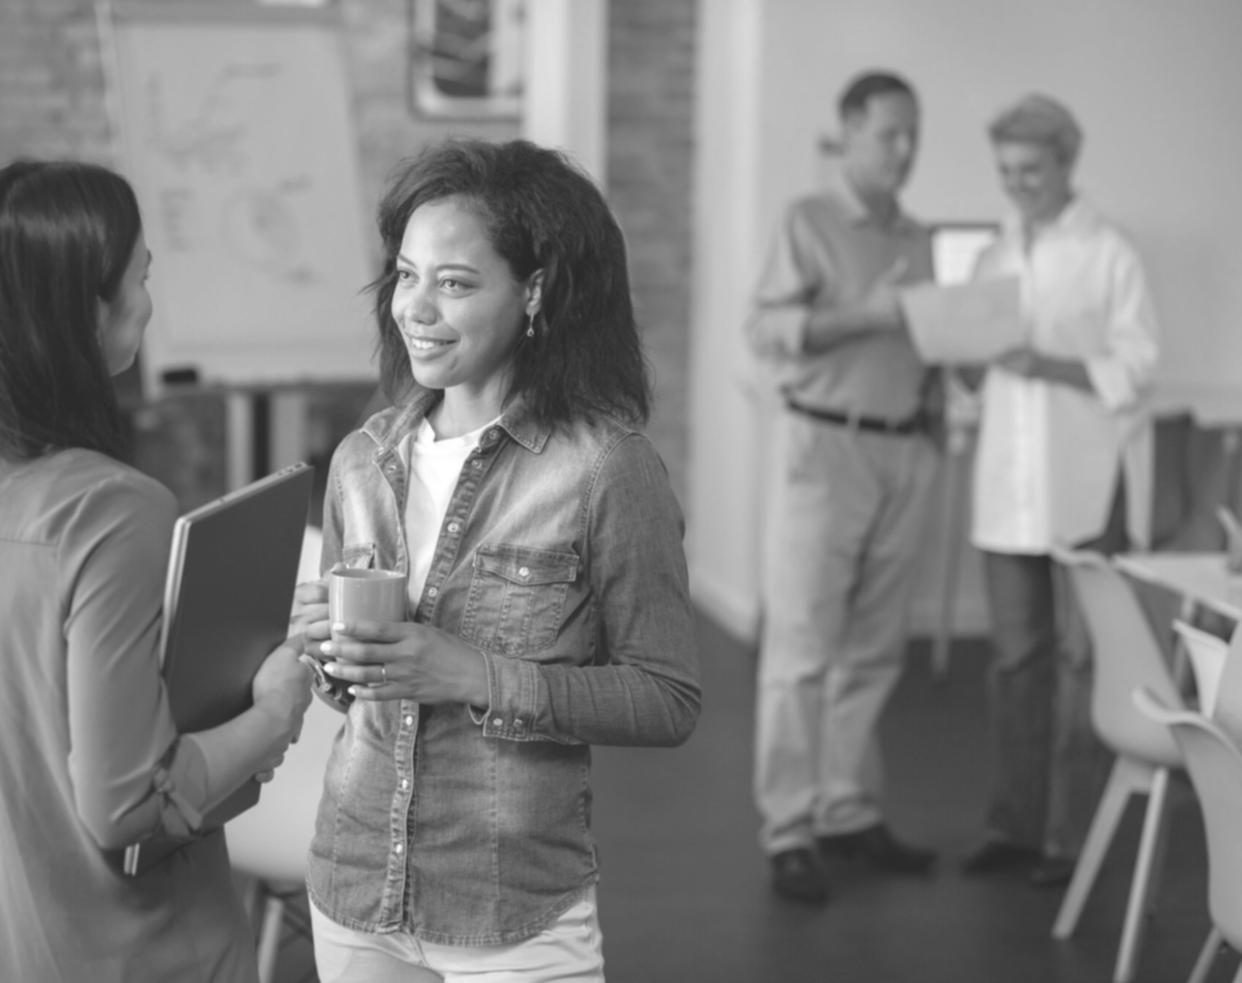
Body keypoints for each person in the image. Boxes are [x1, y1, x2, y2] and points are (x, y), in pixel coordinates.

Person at [0, 159, 315, 981]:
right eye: (140, 279)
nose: (149, 306)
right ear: (86, 309)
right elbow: (129, 804)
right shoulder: (114, 511)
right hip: (138, 957)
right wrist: (276, 708)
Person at [296, 137, 701, 981]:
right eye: (406, 275)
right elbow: (354, 698)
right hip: (355, 886)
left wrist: (476, 672)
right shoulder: (362, 460)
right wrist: (328, 657)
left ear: (536, 292)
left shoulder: (604, 468)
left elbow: (667, 697)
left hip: (512, 910)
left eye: (454, 283)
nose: (415, 308)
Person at [746, 70, 941, 906]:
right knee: (801, 649)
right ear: (850, 131)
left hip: (907, 452)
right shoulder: (809, 221)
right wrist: (871, 311)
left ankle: (847, 808)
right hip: (825, 448)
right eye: (889, 133)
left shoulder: (924, 238)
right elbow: (766, 330)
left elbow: (921, 343)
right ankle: (790, 826)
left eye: (913, 135)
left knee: (873, 647)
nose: (904, 150)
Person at [957, 94, 1160, 888]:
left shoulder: (1111, 252)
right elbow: (977, 373)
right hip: (1008, 491)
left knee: (1081, 664)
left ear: (1068, 162)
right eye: (1007, 172)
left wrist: (1054, 365)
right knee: (1016, 663)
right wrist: (964, 360)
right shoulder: (993, 255)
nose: (1018, 186)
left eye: (1032, 170)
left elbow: (1138, 363)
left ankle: (1069, 838)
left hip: (1086, 488)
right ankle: (1014, 824)